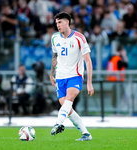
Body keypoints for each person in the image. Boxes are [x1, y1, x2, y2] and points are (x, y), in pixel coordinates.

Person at [49, 12, 94, 141]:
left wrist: (89, 83)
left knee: (69, 98)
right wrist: (51, 74)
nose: (58, 25)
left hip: (75, 76)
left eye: (60, 22)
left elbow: (88, 61)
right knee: (67, 108)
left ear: (67, 22)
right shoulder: (55, 38)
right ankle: (86, 134)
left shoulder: (79, 38)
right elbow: (55, 56)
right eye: (56, 23)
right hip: (60, 77)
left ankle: (58, 123)